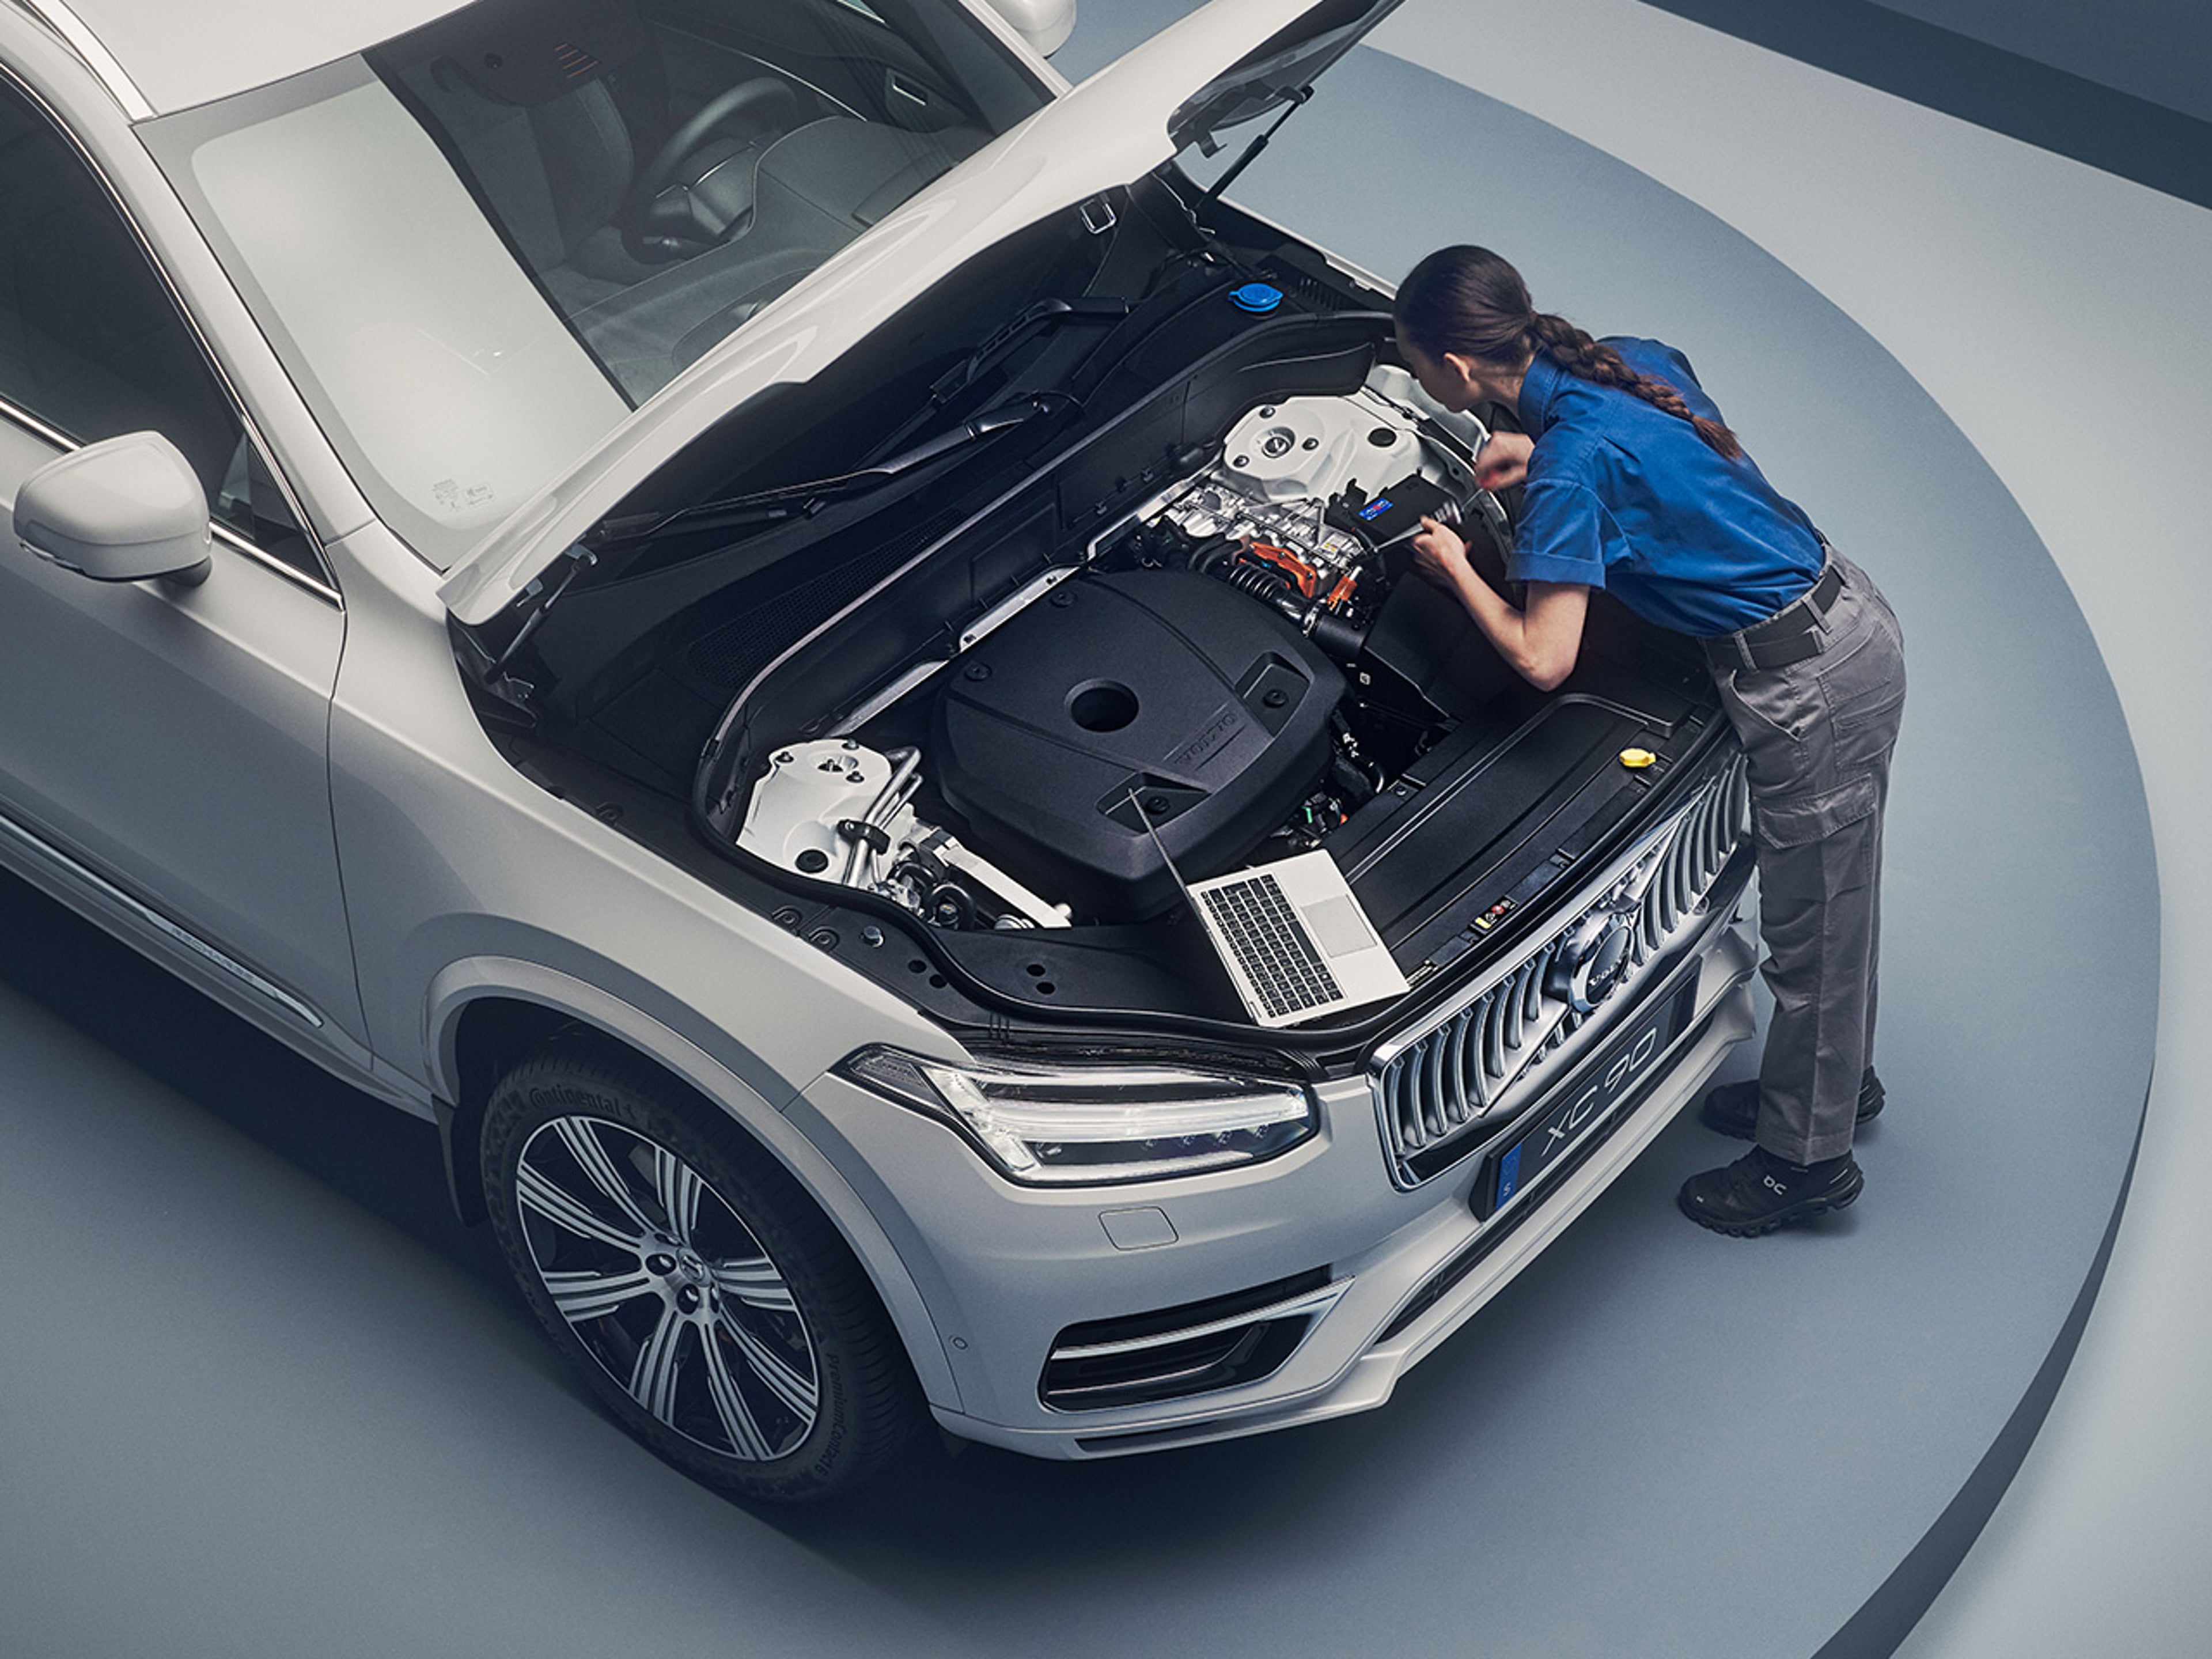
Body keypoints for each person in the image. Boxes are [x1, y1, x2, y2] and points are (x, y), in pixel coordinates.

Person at [1393, 245, 1906, 1236]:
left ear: (1454, 372)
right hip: (1833, 616)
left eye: (1416, 366)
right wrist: (1539, 460)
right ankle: (1833, 1086)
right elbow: (1672, 463)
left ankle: (1808, 1164)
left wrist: (1455, 562)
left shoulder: (1572, 465)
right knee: (1837, 906)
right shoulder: (1623, 360)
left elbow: (1544, 659)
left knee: (1818, 933)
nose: (1419, 381)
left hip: (1809, 679)